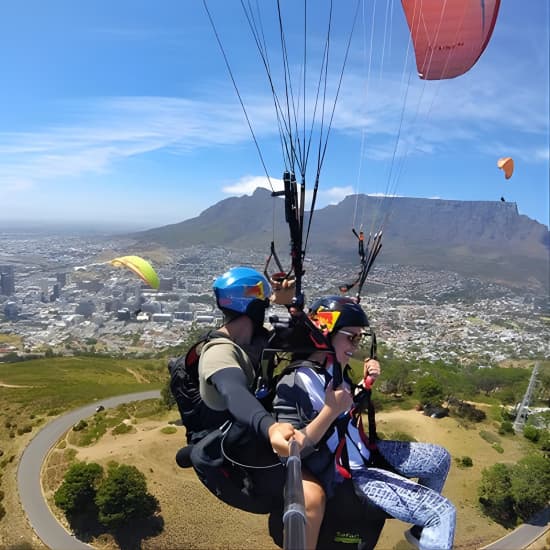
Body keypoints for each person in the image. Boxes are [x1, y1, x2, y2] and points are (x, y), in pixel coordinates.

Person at [273, 295, 456, 550]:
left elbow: (344, 412)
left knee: (439, 459)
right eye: (351, 337)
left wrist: (365, 384)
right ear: (325, 334)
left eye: (359, 338)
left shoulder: (333, 370)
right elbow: (291, 451)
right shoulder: (295, 382)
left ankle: (419, 535)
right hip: (351, 473)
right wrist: (328, 410)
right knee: (441, 513)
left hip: (361, 450)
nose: (356, 345)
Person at [194, 266, 325, 549]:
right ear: (252, 305)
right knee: (313, 496)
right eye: (262, 300)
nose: (266, 306)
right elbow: (234, 392)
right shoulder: (219, 352)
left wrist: (288, 302)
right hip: (241, 456)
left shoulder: (251, 341)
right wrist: (270, 427)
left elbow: (306, 342)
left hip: (251, 440)